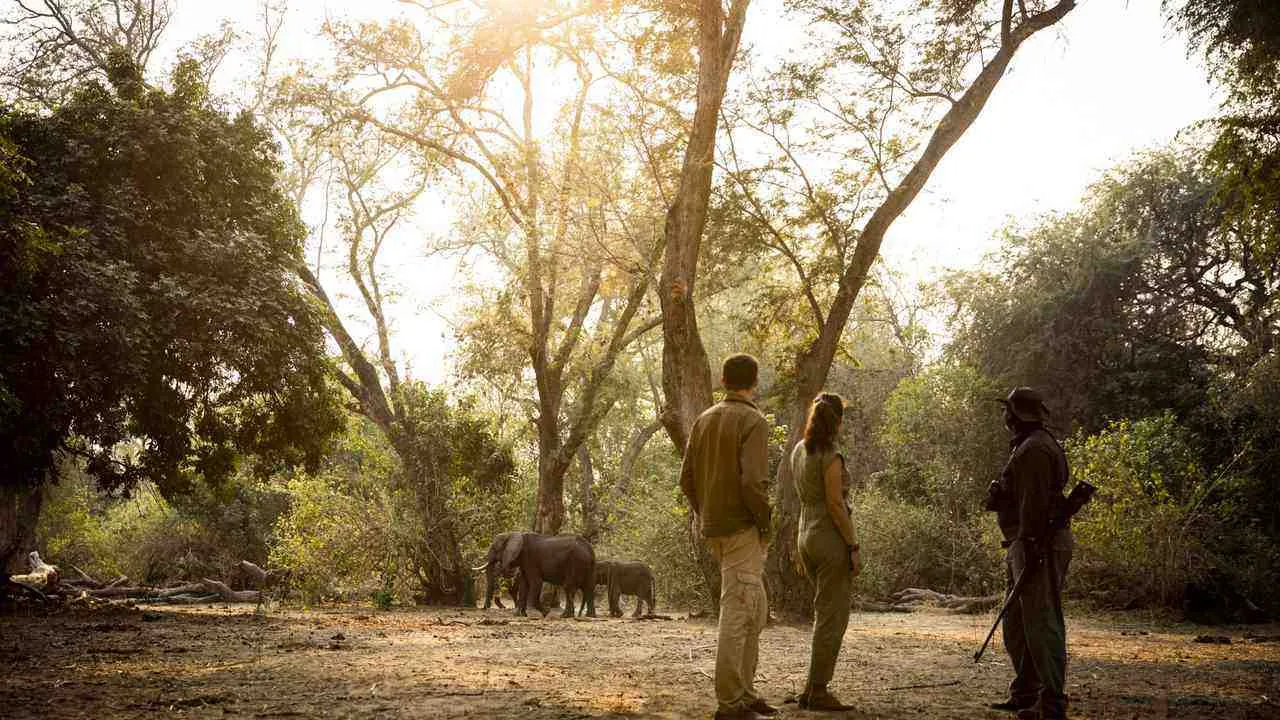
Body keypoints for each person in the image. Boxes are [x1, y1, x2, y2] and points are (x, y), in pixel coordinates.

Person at [680, 354, 777, 720]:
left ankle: (746, 694)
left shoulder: (704, 419)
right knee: (738, 614)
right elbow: (753, 483)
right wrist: (764, 524)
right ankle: (730, 705)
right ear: (754, 382)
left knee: (755, 609)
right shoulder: (753, 420)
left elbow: (686, 479)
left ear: (723, 381)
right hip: (741, 529)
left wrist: (705, 512)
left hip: (716, 529)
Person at [984, 387, 1074, 720]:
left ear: (1016, 415)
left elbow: (1034, 506)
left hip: (1037, 544)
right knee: (1018, 623)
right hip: (1024, 542)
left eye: (1007, 410)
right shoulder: (1028, 446)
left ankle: (1051, 702)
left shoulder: (1034, 449)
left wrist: (1032, 546)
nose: (1004, 417)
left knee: (1041, 622)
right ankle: (1026, 693)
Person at [791, 392, 862, 711]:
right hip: (829, 538)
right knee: (832, 617)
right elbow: (835, 503)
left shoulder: (798, 451)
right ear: (838, 420)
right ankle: (818, 690)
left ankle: (810, 688)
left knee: (823, 614)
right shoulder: (831, 454)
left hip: (805, 535)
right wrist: (853, 545)